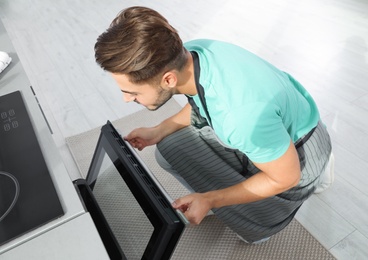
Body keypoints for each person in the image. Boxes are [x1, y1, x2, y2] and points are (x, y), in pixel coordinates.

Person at [94, 6, 334, 244]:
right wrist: (159, 130)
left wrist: (211, 199)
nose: (126, 99)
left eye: (131, 92)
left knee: (251, 232)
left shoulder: (240, 118)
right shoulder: (194, 52)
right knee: (168, 149)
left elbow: (286, 178)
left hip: (300, 161)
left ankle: (281, 209)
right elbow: (203, 101)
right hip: (290, 125)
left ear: (169, 79)